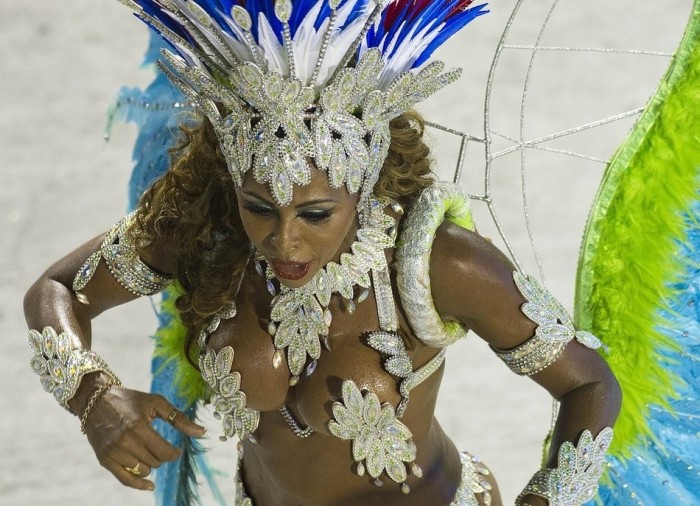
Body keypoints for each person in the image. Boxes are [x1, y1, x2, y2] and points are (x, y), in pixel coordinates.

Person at [24, 1, 621, 505]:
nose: (285, 240)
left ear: (361, 186)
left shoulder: (434, 263)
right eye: (259, 206)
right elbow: (57, 291)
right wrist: (94, 397)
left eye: (315, 214)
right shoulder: (207, 232)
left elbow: (590, 386)